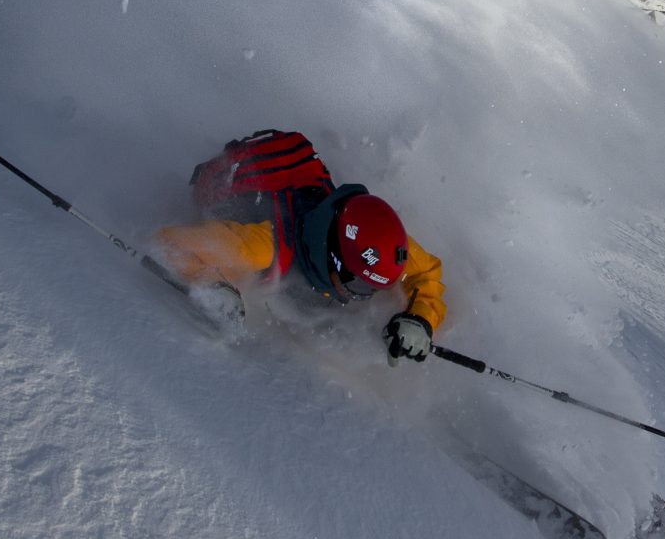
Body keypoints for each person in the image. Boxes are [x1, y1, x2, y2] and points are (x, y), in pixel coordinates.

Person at [155, 130, 446, 365]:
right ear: (335, 259)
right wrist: (213, 287)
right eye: (358, 285)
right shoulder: (264, 247)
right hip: (245, 209)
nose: (363, 297)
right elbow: (171, 243)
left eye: (372, 287)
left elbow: (427, 274)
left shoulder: (379, 237)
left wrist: (420, 319)